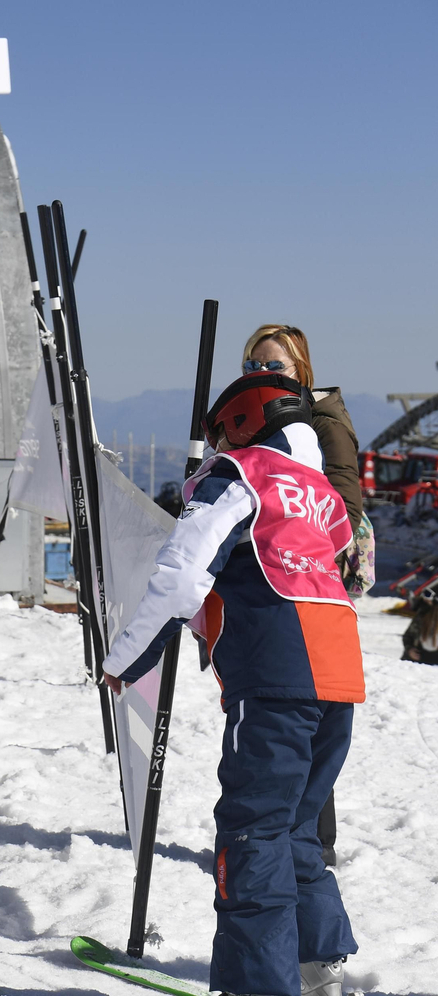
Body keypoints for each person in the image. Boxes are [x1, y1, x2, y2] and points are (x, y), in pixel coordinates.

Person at [101, 371, 363, 996]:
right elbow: (318, 558)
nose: (215, 445)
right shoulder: (321, 491)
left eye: (219, 431)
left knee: (253, 831)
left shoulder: (239, 475)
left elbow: (182, 575)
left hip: (276, 673)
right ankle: (317, 960)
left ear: (243, 421)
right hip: (340, 672)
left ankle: (259, 983)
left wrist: (128, 659)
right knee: (296, 825)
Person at [242, 323, 367, 865]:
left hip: (311, 587)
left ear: (301, 371)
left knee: (308, 715)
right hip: (267, 588)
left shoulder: (322, 421)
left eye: (275, 366)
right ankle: (277, 836)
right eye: (253, 366)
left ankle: (313, 843)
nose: (262, 374)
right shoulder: (249, 419)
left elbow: (344, 508)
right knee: (275, 719)